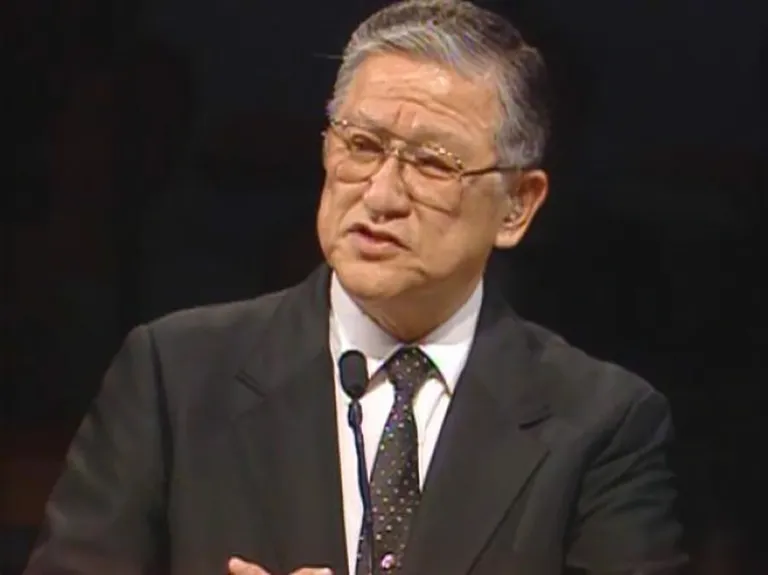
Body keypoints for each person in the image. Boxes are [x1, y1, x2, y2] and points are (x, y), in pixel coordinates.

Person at [24, 1, 686, 574]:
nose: (381, 194)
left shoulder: (601, 423)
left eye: (433, 163)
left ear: (517, 205)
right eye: (363, 145)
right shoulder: (175, 376)